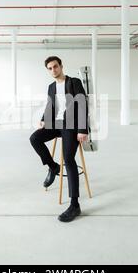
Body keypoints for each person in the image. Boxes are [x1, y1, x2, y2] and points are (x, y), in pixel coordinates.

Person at [29, 56, 89, 223]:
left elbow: (83, 105)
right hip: (56, 124)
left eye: (55, 66)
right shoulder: (51, 87)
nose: (53, 70)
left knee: (69, 159)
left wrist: (82, 129)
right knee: (34, 138)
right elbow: (51, 106)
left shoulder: (74, 82)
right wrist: (43, 119)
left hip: (71, 125)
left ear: (61, 66)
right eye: (49, 68)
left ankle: (75, 205)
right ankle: (53, 166)